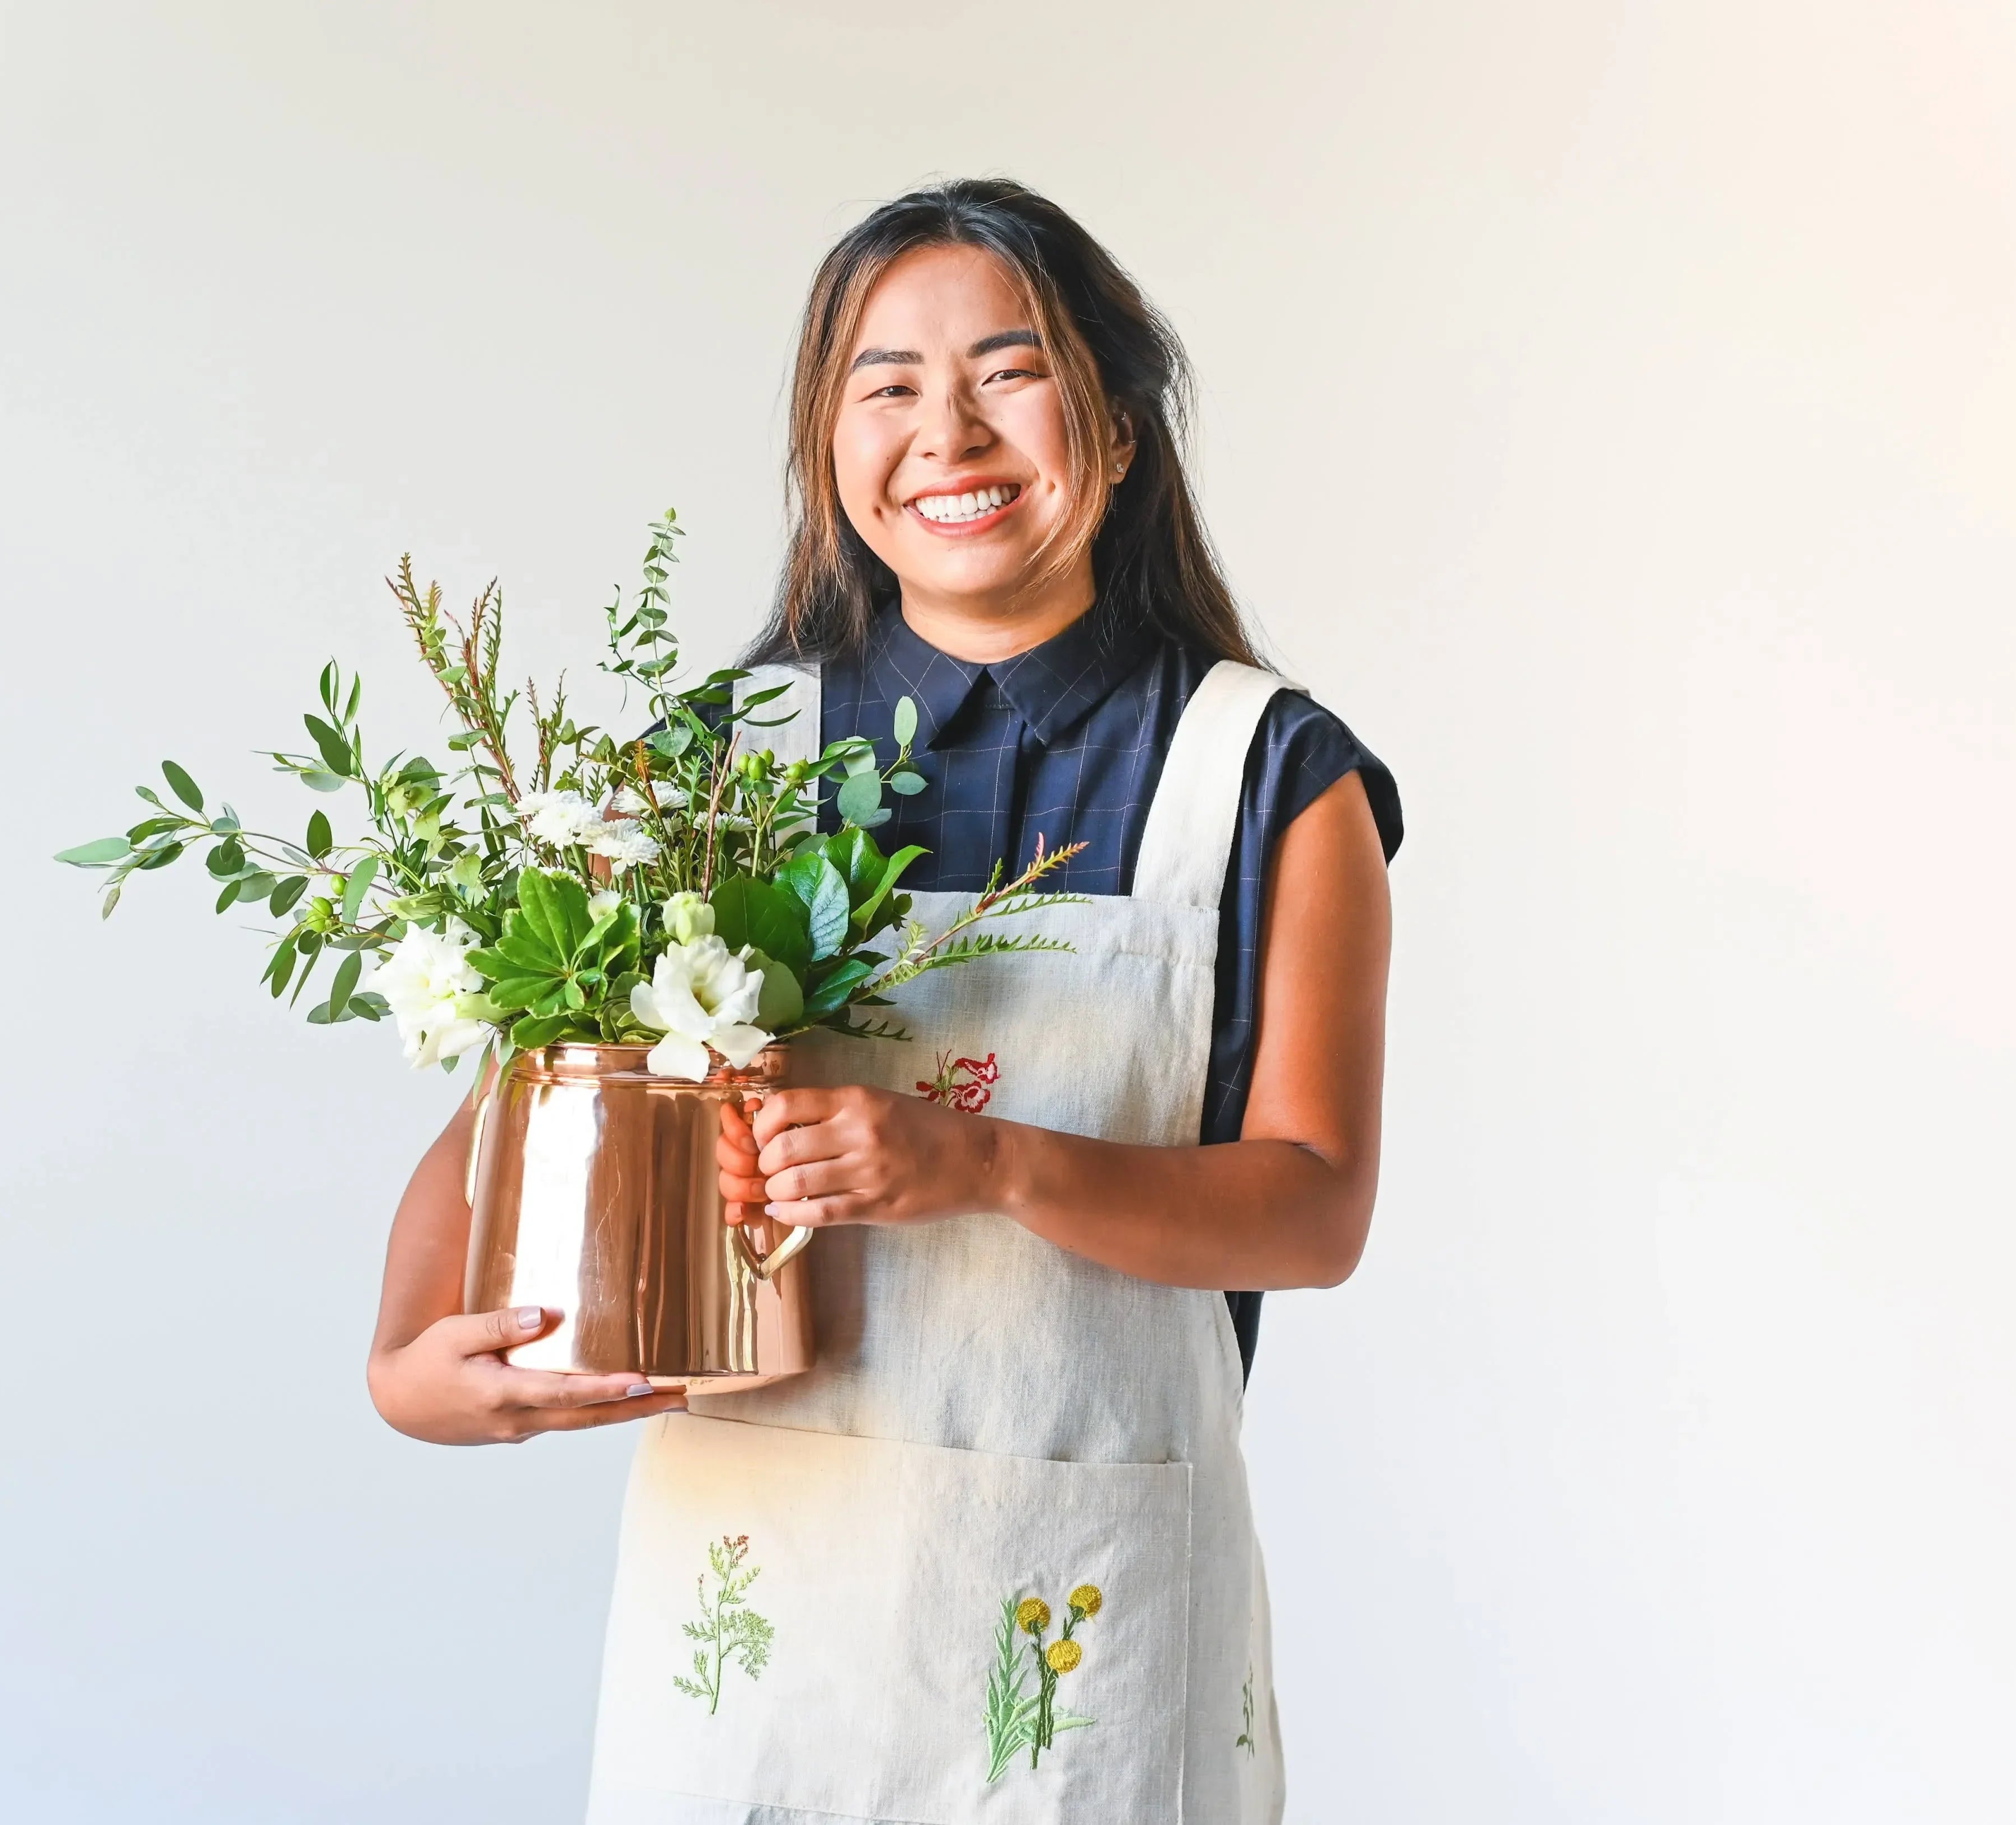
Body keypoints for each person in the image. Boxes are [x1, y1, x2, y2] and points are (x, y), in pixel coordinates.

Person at [366, 178, 1398, 1823]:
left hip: (1091, 1625)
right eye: (888, 384)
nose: (950, 431)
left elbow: (1315, 1209)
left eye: (1011, 369)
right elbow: (514, 1112)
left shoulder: (1264, 777)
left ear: (1119, 429)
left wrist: (989, 1166)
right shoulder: (721, 767)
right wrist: (413, 1365)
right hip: (756, 1617)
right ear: (828, 446)